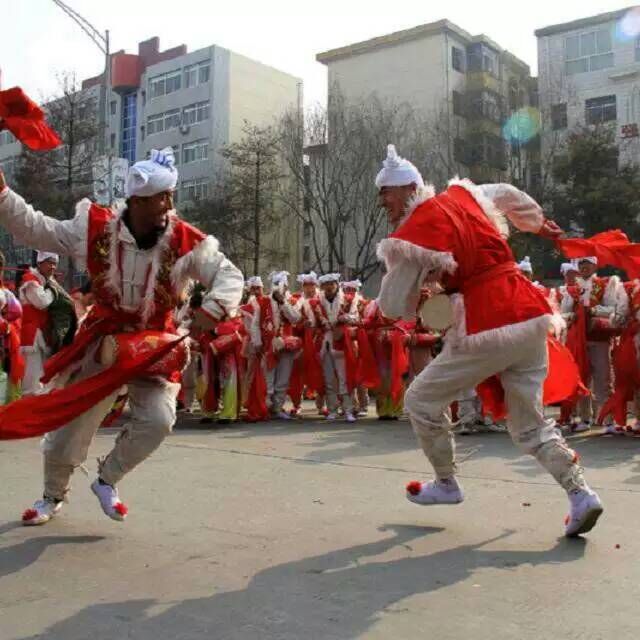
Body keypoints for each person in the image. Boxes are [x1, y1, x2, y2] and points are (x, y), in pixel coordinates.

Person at [0, 147, 244, 525]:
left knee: (159, 420)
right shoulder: (95, 227)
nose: (169, 206)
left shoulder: (185, 241)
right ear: (137, 201)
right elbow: (37, 228)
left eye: (170, 197)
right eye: (160, 198)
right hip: (104, 341)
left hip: (154, 346)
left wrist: (211, 308)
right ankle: (52, 495)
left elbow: (229, 275)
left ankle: (107, 479)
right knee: (71, 427)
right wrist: (3, 195)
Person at [375, 144, 602, 537]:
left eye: (386, 193)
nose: (383, 202)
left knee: (420, 400)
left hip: (487, 322)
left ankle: (446, 482)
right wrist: (536, 222)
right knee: (530, 426)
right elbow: (508, 195)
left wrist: (421, 297)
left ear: (409, 188)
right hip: (528, 314)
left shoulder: (418, 229)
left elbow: (392, 305)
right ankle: (581, 493)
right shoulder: (464, 195)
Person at [559, 257, 628, 433]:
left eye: (587, 263)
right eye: (581, 264)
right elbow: (562, 314)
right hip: (578, 341)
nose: (584, 267)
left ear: (595, 265)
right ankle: (585, 418)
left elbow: (614, 310)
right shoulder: (572, 288)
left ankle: (607, 420)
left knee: (603, 379)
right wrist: (572, 316)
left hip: (599, 339)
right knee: (582, 379)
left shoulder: (605, 284)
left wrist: (594, 311)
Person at [19, 251, 75, 395]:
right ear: (40, 263)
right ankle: (29, 407)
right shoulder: (30, 280)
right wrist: (53, 292)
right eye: (49, 262)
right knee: (33, 381)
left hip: (44, 335)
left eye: (55, 263)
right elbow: (41, 302)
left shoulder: (47, 282)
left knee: (44, 378)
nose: (53, 267)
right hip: (32, 336)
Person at [309, 274, 358, 423]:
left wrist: (345, 318)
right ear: (322, 287)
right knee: (329, 379)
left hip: (341, 343)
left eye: (332, 284)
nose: (329, 287)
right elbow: (312, 324)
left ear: (337, 284)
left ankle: (348, 409)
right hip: (324, 344)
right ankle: (332, 410)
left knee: (344, 378)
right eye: (326, 284)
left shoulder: (348, 300)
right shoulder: (316, 302)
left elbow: (356, 317)